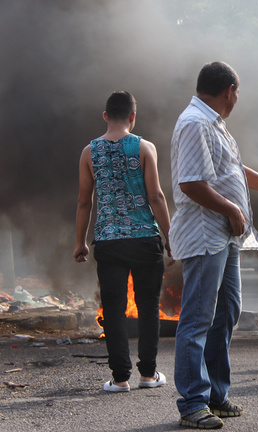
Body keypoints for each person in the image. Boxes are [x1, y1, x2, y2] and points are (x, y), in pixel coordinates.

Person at [170, 61, 258, 429]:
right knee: (197, 319)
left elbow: (232, 170)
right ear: (230, 91)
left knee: (227, 310)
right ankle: (193, 404)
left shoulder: (214, 126)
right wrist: (231, 209)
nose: (237, 99)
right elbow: (190, 183)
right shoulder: (195, 123)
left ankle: (215, 396)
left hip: (222, 236)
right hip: (205, 234)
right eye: (237, 93)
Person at [73, 91, 173, 393]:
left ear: (105, 116)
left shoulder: (89, 152)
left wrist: (80, 242)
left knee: (114, 309)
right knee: (147, 306)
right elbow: (155, 196)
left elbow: (83, 201)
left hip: (109, 240)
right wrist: (171, 238)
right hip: (145, 239)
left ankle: (119, 379)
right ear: (133, 116)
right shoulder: (144, 147)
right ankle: (148, 375)